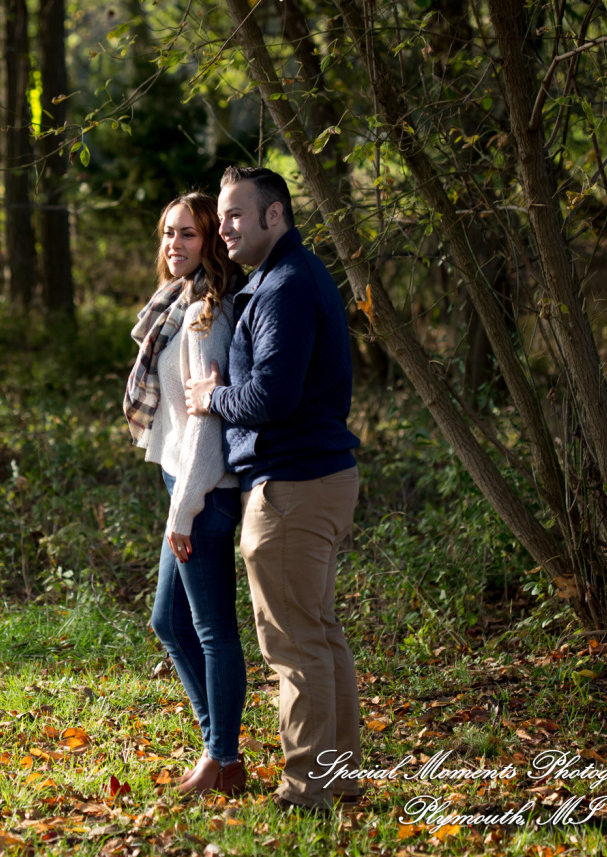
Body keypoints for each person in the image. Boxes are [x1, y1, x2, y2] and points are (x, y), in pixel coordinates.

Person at [185, 166, 361, 813]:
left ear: (274, 216)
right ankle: (337, 778)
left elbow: (271, 396)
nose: (222, 227)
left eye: (234, 214)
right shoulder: (283, 277)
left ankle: (307, 787)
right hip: (314, 479)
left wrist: (210, 396)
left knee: (292, 643)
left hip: (293, 486)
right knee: (318, 633)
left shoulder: (285, 285)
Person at [123, 191, 248, 797]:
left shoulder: (205, 315)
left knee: (210, 629)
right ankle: (219, 751)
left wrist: (185, 507)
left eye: (190, 235)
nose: (175, 245)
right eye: (169, 233)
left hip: (205, 492)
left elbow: (206, 422)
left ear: (212, 244)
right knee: (169, 622)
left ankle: (221, 758)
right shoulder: (178, 303)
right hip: (186, 485)